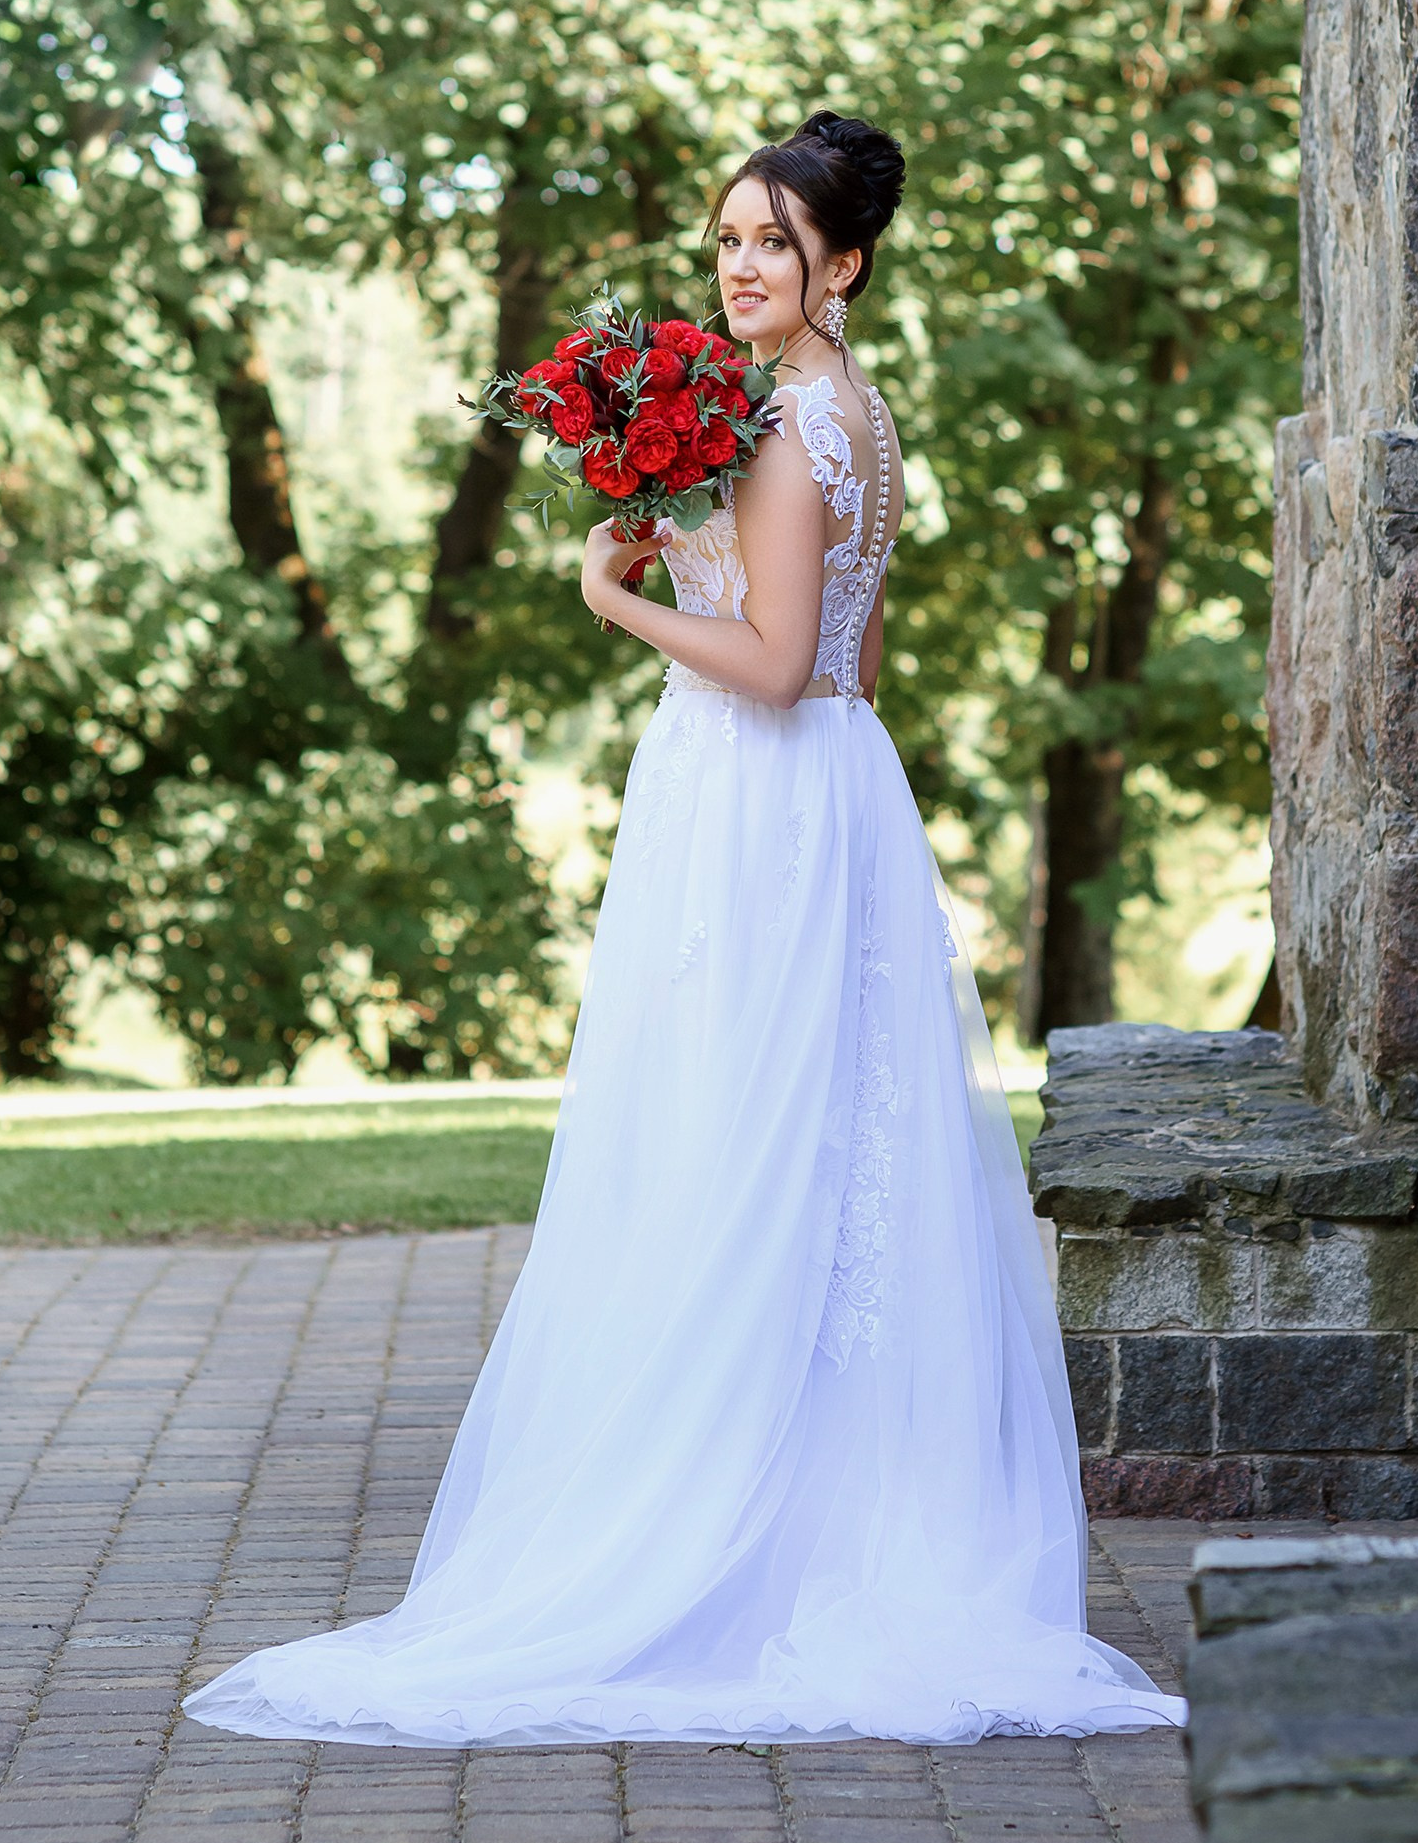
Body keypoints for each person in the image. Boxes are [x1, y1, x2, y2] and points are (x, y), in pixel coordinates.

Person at [185, 111, 1182, 1746]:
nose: (737, 266)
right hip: (831, 795)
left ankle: (734, 1523)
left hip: (762, 796)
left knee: (736, 1142)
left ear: (842, 264)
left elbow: (783, 663)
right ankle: (819, 1487)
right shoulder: (853, 413)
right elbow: (844, 659)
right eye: (727, 238)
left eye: (772, 244)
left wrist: (621, 595)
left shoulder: (792, 422)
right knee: (816, 1153)